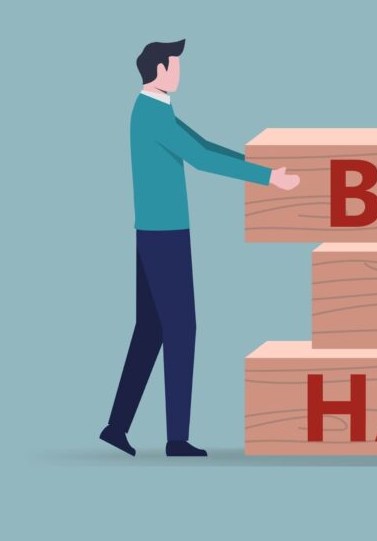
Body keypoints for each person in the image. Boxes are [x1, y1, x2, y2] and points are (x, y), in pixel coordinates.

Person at [100, 39, 300, 457]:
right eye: (176, 64)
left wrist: (263, 169)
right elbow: (201, 159)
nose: (180, 71)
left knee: (150, 331)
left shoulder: (156, 110)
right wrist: (269, 180)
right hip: (166, 235)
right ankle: (176, 439)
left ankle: (116, 428)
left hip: (153, 233)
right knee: (180, 330)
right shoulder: (152, 115)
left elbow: (204, 146)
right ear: (159, 70)